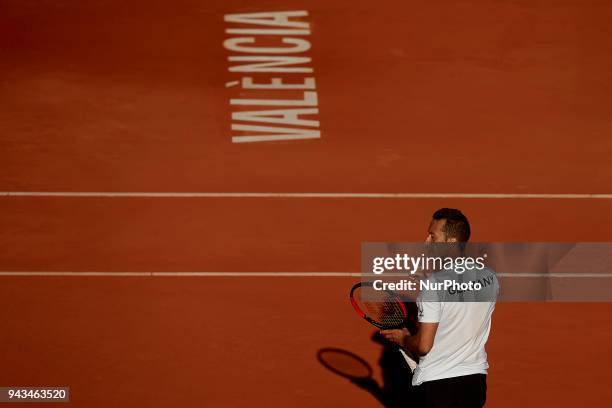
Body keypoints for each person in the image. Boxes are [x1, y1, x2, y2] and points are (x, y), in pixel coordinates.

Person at [381, 208, 498, 408]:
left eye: (433, 236)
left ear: (450, 242)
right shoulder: (490, 277)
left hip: (437, 387)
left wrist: (403, 338)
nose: (426, 241)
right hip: (474, 383)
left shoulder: (433, 287)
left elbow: (423, 346)